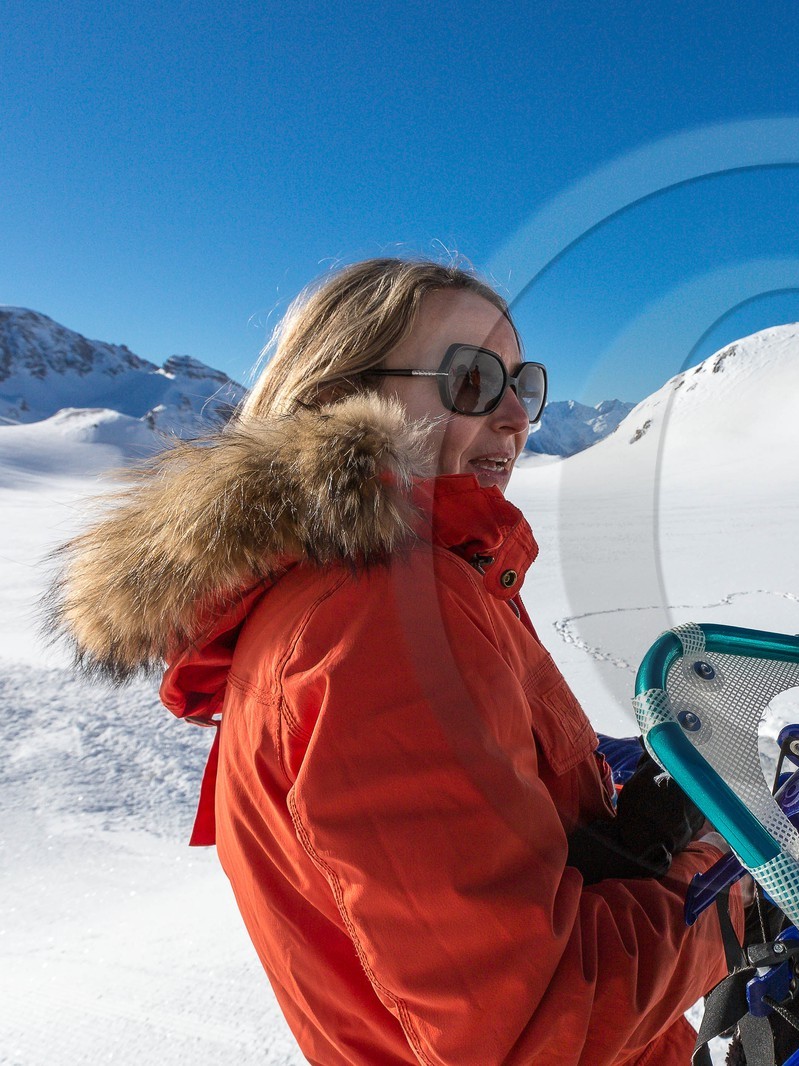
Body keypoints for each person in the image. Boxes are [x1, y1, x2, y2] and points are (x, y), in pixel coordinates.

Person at [48, 259, 734, 1065]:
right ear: (342, 401)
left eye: (523, 383)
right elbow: (537, 1028)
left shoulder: (382, 587)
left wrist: (625, 812)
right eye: (473, 379)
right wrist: (746, 890)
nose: (517, 417)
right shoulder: (380, 618)